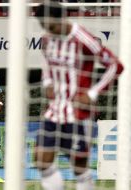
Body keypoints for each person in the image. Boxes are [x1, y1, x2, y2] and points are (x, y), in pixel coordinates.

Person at [34, 3, 123, 190]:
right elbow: (46, 63)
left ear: (62, 19)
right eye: (44, 26)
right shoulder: (47, 39)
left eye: (51, 26)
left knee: (79, 169)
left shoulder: (83, 38)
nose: (49, 31)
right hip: (55, 111)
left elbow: (115, 66)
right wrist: (48, 83)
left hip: (78, 115)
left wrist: (92, 93)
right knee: (41, 161)